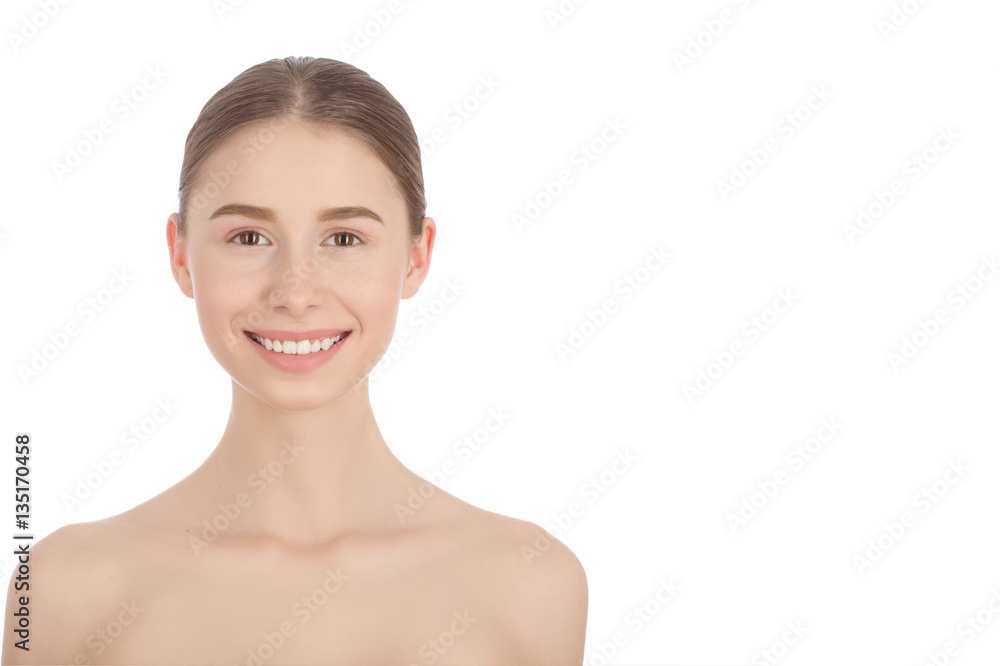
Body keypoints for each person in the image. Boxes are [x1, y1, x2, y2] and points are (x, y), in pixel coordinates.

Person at [3, 56, 587, 665]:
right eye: (249, 238)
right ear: (180, 255)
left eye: (344, 239)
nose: (296, 291)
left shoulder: (532, 584)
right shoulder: (62, 589)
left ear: (416, 257)